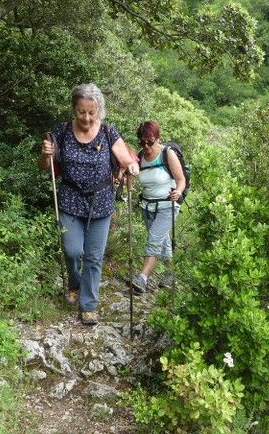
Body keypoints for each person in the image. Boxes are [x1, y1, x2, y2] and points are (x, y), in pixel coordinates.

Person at [38, 83, 139, 325]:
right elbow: (45, 167)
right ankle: (74, 283)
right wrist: (45, 154)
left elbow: (123, 156)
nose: (86, 117)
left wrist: (131, 166)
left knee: (94, 257)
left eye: (91, 112)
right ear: (74, 108)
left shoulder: (107, 132)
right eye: (81, 111)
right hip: (70, 200)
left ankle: (88, 305)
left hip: (101, 202)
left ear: (99, 111)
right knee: (73, 252)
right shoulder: (61, 131)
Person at [131, 120, 185, 294]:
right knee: (162, 242)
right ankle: (172, 272)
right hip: (147, 207)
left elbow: (181, 179)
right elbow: (132, 174)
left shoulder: (167, 153)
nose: (146, 145)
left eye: (150, 141)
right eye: (142, 141)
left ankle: (142, 278)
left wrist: (178, 192)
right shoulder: (140, 156)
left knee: (154, 240)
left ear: (157, 138)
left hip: (167, 206)